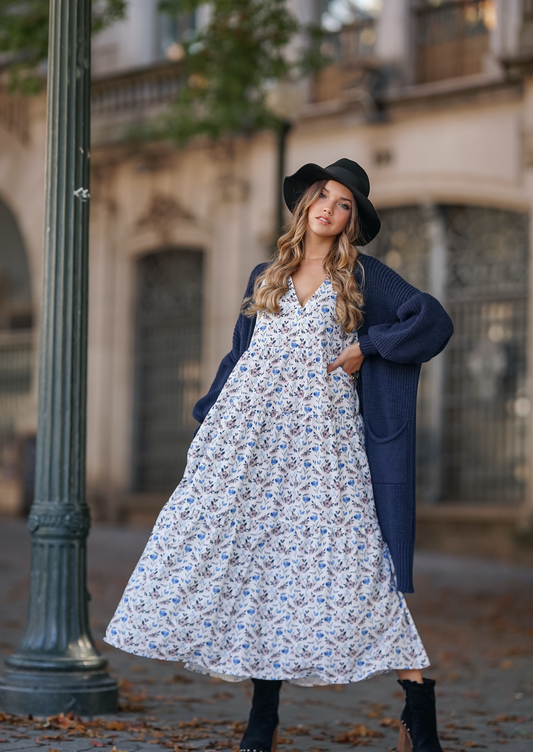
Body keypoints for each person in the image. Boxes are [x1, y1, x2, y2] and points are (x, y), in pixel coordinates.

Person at [105, 158, 453, 752]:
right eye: (323, 197)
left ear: (353, 220)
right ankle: (260, 719)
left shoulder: (365, 276)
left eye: (344, 204)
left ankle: (418, 708)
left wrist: (367, 347)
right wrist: (208, 418)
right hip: (248, 442)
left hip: (323, 447)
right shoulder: (266, 273)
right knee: (260, 569)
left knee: (358, 564)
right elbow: (240, 355)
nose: (330, 209)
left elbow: (434, 320)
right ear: (304, 205)